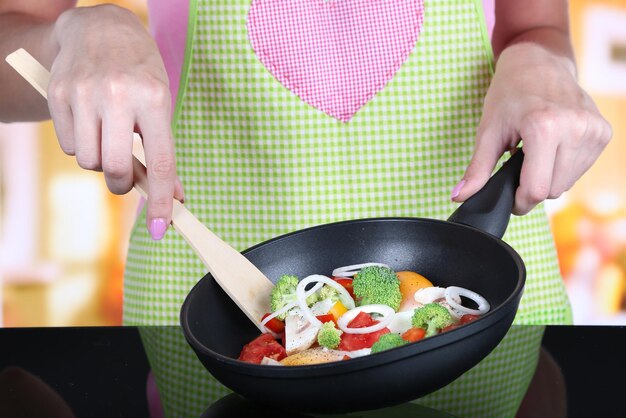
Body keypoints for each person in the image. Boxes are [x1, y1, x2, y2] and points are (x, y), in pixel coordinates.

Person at [0, 0, 611, 417]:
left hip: (477, 296)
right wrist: (79, 29)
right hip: (207, 302)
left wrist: (541, 59)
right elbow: (13, 36)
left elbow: (537, 24)